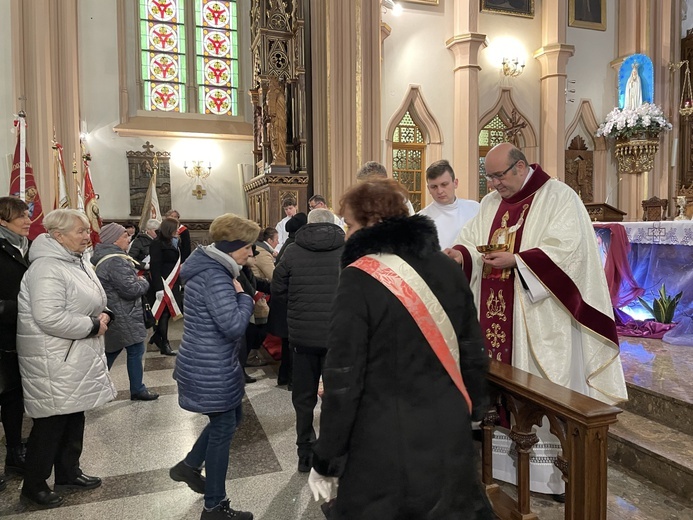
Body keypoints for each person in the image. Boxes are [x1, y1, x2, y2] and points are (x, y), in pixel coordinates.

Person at [445, 143, 628, 498]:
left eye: (499, 175)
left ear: (520, 166)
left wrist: (518, 262)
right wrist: (460, 254)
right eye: (490, 176)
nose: (494, 184)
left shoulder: (559, 197)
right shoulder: (490, 204)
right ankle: (500, 467)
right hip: (497, 317)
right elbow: (472, 240)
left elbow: (569, 252)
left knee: (545, 388)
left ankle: (552, 476)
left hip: (540, 320)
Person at [309, 179, 493, 519]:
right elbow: (472, 347)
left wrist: (328, 455)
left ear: (372, 222)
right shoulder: (447, 267)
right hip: (449, 429)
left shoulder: (358, 277)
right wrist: (475, 407)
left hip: (384, 440)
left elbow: (344, 375)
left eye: (349, 224)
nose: (346, 234)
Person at [17, 209, 117, 509]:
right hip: (54, 358)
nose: (87, 235)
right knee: (51, 424)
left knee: (74, 416)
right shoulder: (47, 267)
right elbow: (48, 317)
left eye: (87, 229)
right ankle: (33, 486)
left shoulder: (77, 261)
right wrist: (91, 325)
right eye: (80, 231)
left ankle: (68, 473)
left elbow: (96, 299)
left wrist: (104, 314)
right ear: (57, 235)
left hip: (74, 356)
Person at [169, 213, 259, 520]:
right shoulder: (217, 276)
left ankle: (189, 466)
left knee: (233, 416)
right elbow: (233, 326)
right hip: (211, 365)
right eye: (248, 247)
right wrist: (245, 297)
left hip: (208, 359)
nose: (251, 252)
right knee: (223, 427)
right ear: (233, 246)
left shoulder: (210, 267)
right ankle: (215, 506)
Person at [270, 208, 345, 473]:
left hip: (302, 337)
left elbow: (276, 289)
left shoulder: (292, 250)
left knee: (304, 398)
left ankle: (304, 452)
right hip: (337, 337)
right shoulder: (346, 250)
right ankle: (331, 454)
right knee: (335, 397)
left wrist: (296, 307)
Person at [92, 223, 159, 401]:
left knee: (114, 350)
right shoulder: (115, 260)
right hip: (123, 313)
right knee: (134, 349)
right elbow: (130, 289)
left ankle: (95, 387)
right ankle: (136, 389)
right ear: (114, 239)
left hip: (116, 311)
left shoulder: (104, 255)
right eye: (124, 236)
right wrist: (143, 281)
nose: (128, 239)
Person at [0, 197, 32, 488]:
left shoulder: (27, 248)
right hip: (2, 331)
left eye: (27, 214)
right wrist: (18, 308)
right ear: (2, 220)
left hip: (18, 336)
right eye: (21, 216)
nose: (28, 220)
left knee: (14, 399)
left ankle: (14, 454)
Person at [418, 159, 480, 249]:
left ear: (455, 183)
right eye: (434, 187)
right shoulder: (421, 220)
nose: (440, 191)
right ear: (428, 189)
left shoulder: (475, 208)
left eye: (444, 184)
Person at [149, 217, 182, 356]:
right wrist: (158, 288)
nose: (178, 230)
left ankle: (157, 337)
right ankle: (164, 343)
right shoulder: (157, 243)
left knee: (166, 314)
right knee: (163, 313)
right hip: (163, 283)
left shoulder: (174, 242)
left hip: (173, 283)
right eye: (176, 228)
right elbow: (154, 267)